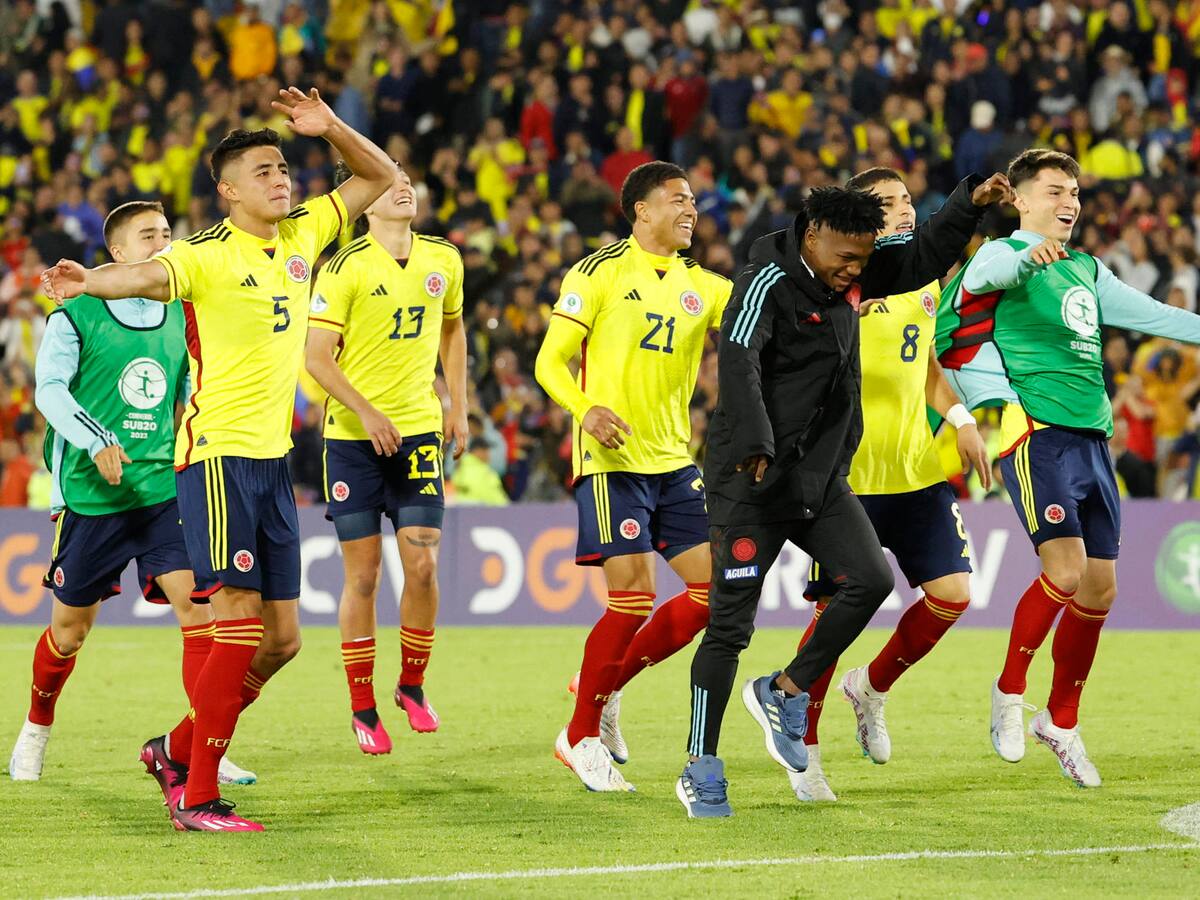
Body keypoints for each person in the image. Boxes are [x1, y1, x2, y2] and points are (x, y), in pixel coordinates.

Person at [41, 87, 394, 831]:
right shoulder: (203, 254)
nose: (282, 178)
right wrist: (87, 282)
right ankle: (196, 796)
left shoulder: (302, 236)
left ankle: (173, 749)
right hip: (215, 459)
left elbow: (380, 177)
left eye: (284, 167)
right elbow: (142, 276)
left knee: (284, 641)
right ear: (229, 191)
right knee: (232, 623)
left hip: (272, 465)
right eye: (264, 171)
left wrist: (331, 128)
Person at [678, 172, 1013, 818]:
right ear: (812, 235)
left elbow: (921, 257)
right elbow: (740, 354)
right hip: (750, 479)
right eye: (845, 259)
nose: (853, 273)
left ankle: (785, 688)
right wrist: (754, 439)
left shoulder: (856, 272)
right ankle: (701, 764)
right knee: (728, 628)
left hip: (818, 478)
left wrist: (967, 200)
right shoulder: (764, 280)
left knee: (868, 577)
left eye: (862, 261)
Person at [935, 149, 1200, 788]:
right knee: (1067, 569)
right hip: (1036, 434)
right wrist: (1028, 256)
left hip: (1091, 438)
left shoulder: (1086, 268)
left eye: (1074, 192)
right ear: (1020, 199)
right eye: (1054, 191)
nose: (1069, 203)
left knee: (1100, 588)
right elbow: (987, 274)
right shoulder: (1001, 253)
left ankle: (1062, 720)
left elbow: (1156, 317)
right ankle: (1008, 691)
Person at [9, 201, 251, 787]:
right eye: (149, 236)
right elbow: (49, 391)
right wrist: (96, 441)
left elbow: (192, 395)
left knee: (201, 614)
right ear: (117, 253)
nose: (163, 244)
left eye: (168, 234)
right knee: (70, 633)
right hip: (94, 497)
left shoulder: (181, 313)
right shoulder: (76, 313)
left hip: (165, 489)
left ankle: (200, 744)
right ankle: (37, 725)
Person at [791, 168, 991, 803]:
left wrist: (960, 417)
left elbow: (924, 361)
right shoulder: (844, 284)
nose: (904, 210)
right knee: (835, 616)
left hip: (916, 471)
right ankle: (805, 755)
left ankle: (871, 687)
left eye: (908, 200)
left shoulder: (922, 279)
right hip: (847, 480)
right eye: (889, 204)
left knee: (953, 595)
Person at [535, 161, 732, 793]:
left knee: (714, 592)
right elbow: (548, 362)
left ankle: (606, 684)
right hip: (611, 459)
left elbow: (761, 322)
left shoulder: (704, 284)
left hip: (674, 461)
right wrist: (584, 409)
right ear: (641, 210)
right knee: (632, 597)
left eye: (694, 201)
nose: (690, 210)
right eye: (677, 200)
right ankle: (579, 733)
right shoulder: (596, 272)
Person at [305, 161, 468, 756]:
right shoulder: (344, 266)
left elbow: (453, 330)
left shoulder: (443, 259)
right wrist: (368, 412)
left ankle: (412, 685)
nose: (404, 184)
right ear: (366, 201)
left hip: (420, 432)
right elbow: (318, 357)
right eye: (390, 179)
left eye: (408, 177)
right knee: (364, 575)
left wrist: (458, 404)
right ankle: (363, 706)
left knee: (423, 566)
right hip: (352, 439)